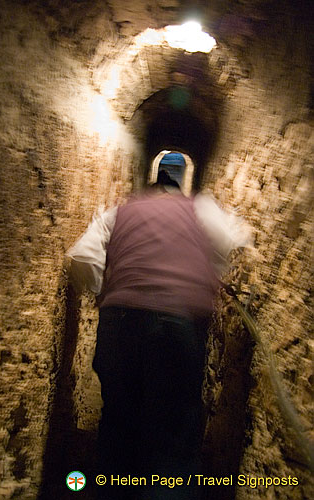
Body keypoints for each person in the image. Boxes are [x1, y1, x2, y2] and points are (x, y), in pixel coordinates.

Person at [66, 170, 251, 500]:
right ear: (180, 189)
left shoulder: (118, 212)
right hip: (178, 325)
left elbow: (81, 256)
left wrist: (103, 292)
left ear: (149, 188)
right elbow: (233, 240)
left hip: (120, 321)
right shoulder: (200, 208)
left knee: (119, 421)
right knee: (173, 431)